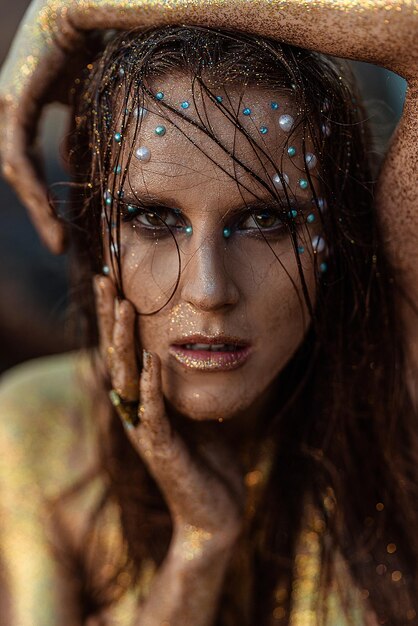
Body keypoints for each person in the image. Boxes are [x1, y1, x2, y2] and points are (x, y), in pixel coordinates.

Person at [0, 3, 418, 626]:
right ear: (94, 234)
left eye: (265, 220)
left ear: (337, 232)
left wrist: (73, 11)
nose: (208, 289)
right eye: (153, 218)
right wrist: (200, 544)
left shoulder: (396, 378)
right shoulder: (41, 430)